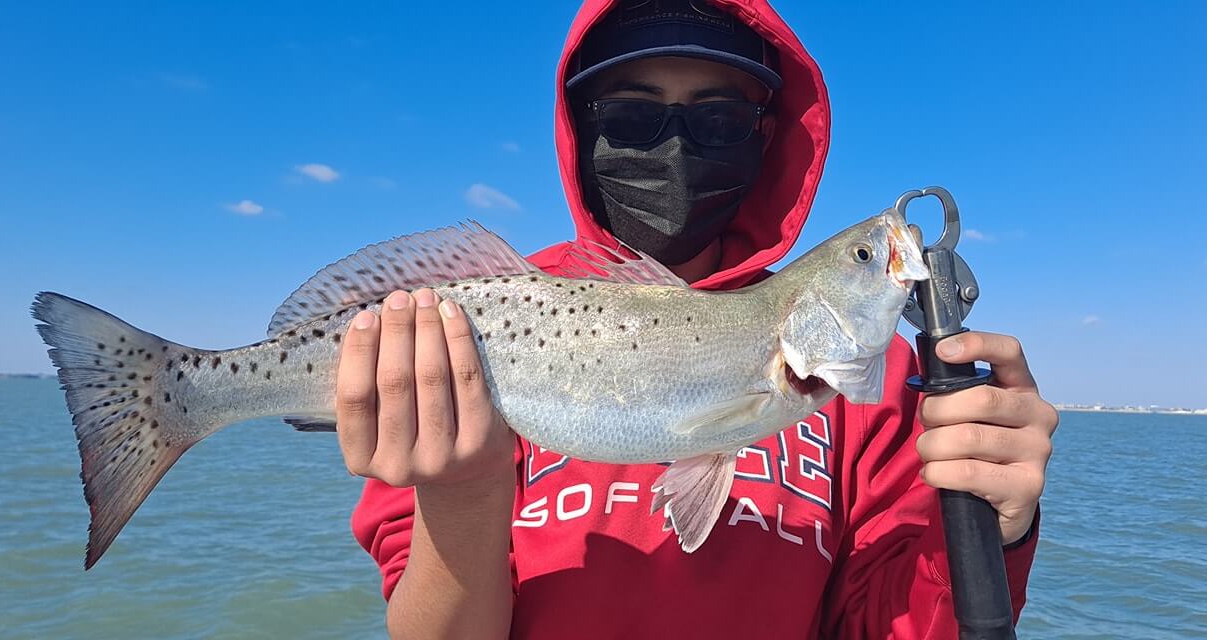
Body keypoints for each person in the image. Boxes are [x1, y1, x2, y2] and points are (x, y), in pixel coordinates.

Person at [334, 1, 1057, 638]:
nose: (675, 148)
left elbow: (892, 625)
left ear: (766, 138)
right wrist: (462, 493)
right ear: (581, 133)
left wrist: (989, 531)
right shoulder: (462, 328)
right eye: (632, 116)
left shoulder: (890, 387)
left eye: (718, 119)